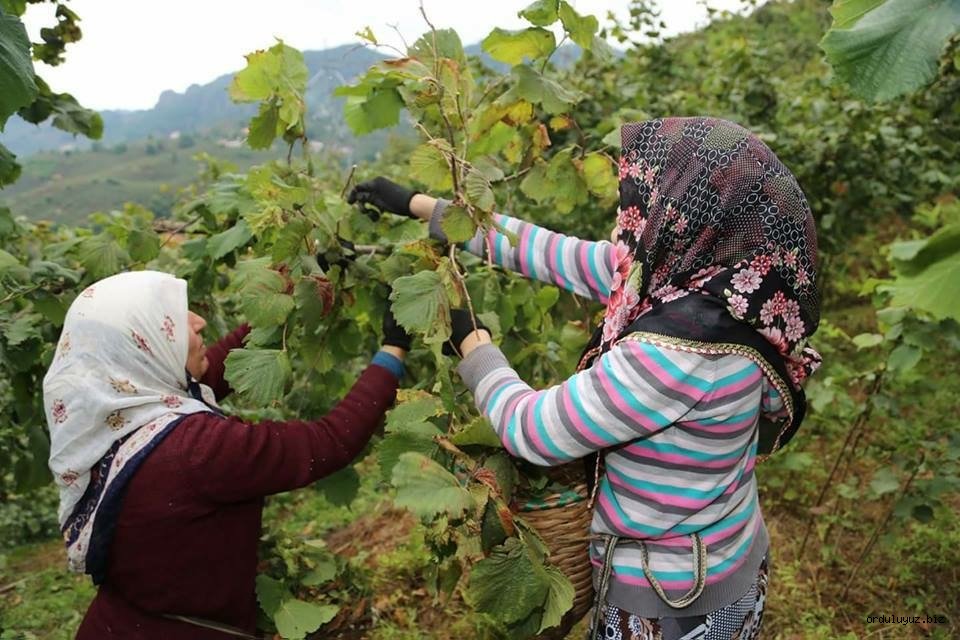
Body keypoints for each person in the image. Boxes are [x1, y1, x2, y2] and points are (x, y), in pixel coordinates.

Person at [348, 117, 820, 640]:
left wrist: (474, 346)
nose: (643, 209)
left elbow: (535, 432)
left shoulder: (680, 354)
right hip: (730, 554)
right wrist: (422, 206)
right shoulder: (725, 289)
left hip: (672, 602)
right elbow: (553, 253)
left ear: (687, 212)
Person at [44, 269, 411, 638]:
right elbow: (330, 441)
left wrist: (288, 298)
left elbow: (211, 374)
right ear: (147, 345)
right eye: (174, 320)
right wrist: (393, 350)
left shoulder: (113, 413)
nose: (199, 321)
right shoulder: (196, 450)